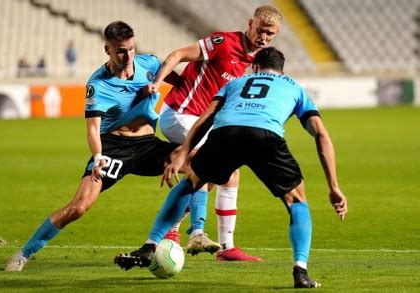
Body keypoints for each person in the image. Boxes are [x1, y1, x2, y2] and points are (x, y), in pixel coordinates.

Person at [114, 47, 348, 288]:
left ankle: (150, 245)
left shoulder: (236, 82)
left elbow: (205, 119)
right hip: (265, 136)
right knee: (297, 201)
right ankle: (301, 270)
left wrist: (182, 152)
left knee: (191, 182)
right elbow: (320, 133)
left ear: (254, 66)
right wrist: (333, 186)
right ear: (281, 70)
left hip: (226, 133)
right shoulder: (294, 87)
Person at [4, 21, 181, 272]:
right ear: (107, 49)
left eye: (131, 48)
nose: (128, 55)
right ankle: (23, 254)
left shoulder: (150, 64)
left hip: (148, 144)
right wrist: (98, 156)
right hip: (113, 148)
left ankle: (166, 235)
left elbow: (182, 82)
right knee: (79, 207)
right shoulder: (98, 84)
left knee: (202, 167)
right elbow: (92, 128)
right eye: (121, 50)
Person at [142, 5, 283, 261]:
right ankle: (200, 235)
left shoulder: (256, 62)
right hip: (180, 113)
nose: (263, 37)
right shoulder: (224, 42)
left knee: (227, 174)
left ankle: (210, 242)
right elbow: (178, 54)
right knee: (211, 166)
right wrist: (157, 81)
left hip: (203, 122)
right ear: (250, 23)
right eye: (260, 30)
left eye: (270, 34)